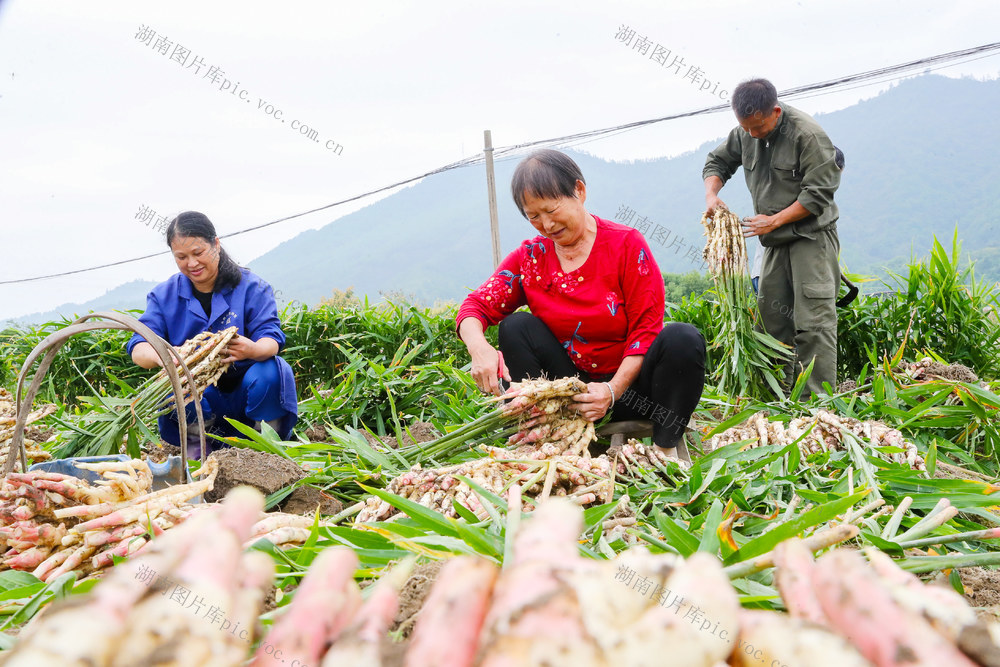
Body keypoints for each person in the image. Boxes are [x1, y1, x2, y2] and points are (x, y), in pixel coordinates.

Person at [456, 150, 706, 455]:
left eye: (550, 210)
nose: (546, 225)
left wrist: (612, 391)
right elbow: (476, 306)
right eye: (533, 216)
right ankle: (550, 441)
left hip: (634, 391)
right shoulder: (532, 257)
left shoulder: (625, 245)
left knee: (682, 338)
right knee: (516, 326)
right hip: (572, 396)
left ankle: (664, 452)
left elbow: (646, 331)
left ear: (579, 191)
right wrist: (479, 348)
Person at [703, 78, 842, 397]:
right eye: (745, 127)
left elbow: (819, 194)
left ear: (775, 112)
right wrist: (712, 195)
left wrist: (774, 220)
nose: (752, 134)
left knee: (813, 325)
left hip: (812, 240)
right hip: (775, 243)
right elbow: (718, 162)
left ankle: (816, 409)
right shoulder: (745, 131)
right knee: (771, 325)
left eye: (758, 127)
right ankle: (773, 402)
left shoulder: (807, 135)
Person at [126, 211, 297, 458]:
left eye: (198, 253)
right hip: (201, 401)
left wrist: (254, 349)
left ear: (215, 244)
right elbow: (139, 345)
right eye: (181, 257)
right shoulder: (163, 296)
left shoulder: (252, 287)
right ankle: (201, 454)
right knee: (174, 385)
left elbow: (271, 337)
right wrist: (163, 358)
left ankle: (266, 450)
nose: (192, 263)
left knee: (272, 370)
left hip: (246, 392)